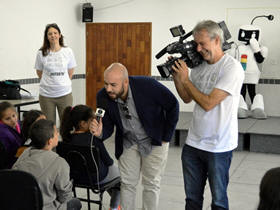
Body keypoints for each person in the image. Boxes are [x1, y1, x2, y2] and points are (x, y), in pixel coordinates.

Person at [171, 20, 244, 210]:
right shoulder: (199, 67)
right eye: (196, 43)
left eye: (202, 43)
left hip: (219, 146)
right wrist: (178, 78)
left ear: (217, 40)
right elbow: (187, 98)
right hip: (193, 144)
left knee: (219, 202)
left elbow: (209, 103)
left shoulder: (232, 68)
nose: (198, 48)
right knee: (192, 200)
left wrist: (186, 80)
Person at [95, 62, 179, 210]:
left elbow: (173, 105)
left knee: (151, 183)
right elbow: (107, 126)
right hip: (128, 142)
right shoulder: (103, 96)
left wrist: (166, 136)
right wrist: (100, 132)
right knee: (127, 184)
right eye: (106, 84)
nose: (108, 89)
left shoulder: (147, 86)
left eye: (113, 85)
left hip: (154, 140)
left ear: (125, 82)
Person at [60, 104, 121, 210]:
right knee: (121, 179)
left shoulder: (66, 140)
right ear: (83, 124)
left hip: (76, 178)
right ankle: (114, 207)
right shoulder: (94, 139)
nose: (94, 123)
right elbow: (108, 161)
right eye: (92, 121)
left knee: (113, 178)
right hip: (96, 179)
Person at [12, 119, 82, 210]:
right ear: (49, 141)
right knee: (76, 202)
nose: (58, 134)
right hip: (45, 207)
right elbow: (65, 197)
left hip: (20, 205)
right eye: (56, 132)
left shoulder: (24, 153)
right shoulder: (60, 163)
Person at [35, 23, 77, 124]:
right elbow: (39, 72)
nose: (53, 35)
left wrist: (62, 83)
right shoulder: (41, 53)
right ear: (47, 36)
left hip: (65, 94)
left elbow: (70, 71)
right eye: (50, 34)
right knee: (49, 125)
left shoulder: (68, 51)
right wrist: (49, 83)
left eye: (55, 33)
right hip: (46, 96)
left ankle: (66, 140)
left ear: (60, 35)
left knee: (66, 124)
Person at [0, 101, 23, 168]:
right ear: (1, 120)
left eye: (14, 115)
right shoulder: (3, 133)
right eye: (7, 119)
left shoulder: (17, 123)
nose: (13, 120)